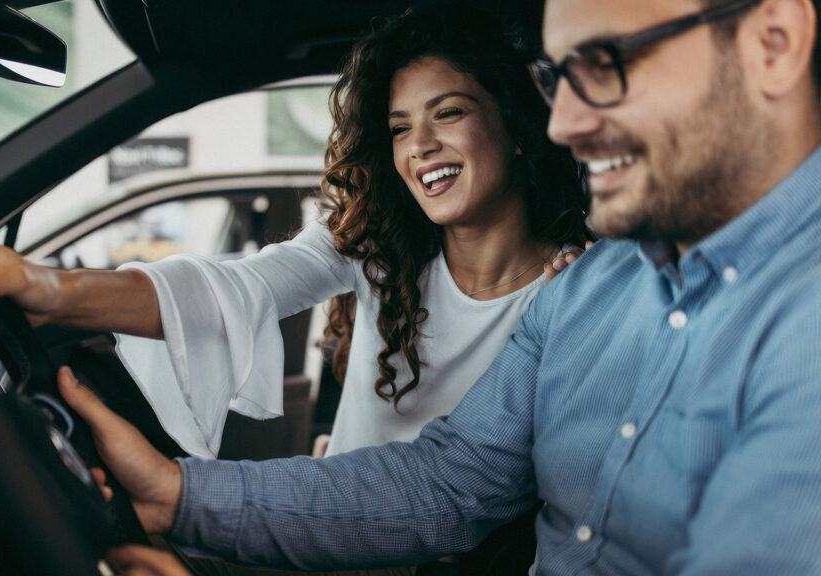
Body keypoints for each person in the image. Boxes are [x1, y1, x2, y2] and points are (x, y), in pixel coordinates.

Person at [47, 0, 821, 573]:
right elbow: (449, 486)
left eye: (605, 63)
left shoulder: (792, 327)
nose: (564, 123)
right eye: (558, 78)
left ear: (774, 43)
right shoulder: (589, 292)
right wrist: (179, 494)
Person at [0, 6, 589, 463]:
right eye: (399, 128)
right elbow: (227, 288)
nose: (419, 146)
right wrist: (48, 289)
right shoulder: (376, 247)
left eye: (448, 113)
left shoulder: (582, 286)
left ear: (515, 128)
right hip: (326, 521)